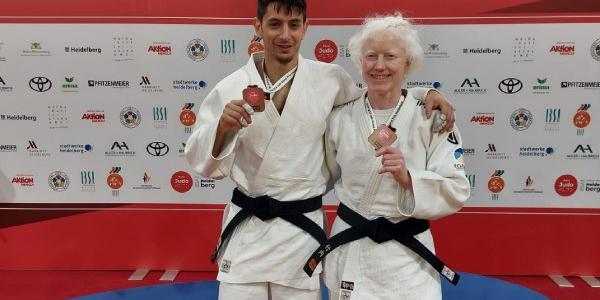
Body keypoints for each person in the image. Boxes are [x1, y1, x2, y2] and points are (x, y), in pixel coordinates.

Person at [185, 1, 456, 299]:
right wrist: (222, 129)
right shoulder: (230, 87)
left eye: (294, 24)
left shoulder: (330, 79)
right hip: (247, 232)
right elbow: (204, 165)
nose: (285, 34)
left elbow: (378, 99)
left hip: (299, 235)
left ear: (306, 28)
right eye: (275, 24)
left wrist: (424, 93)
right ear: (257, 26)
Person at [305, 14, 470, 300]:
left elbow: (456, 187)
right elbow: (319, 175)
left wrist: (410, 179)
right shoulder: (340, 117)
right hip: (354, 251)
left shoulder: (433, 118)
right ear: (359, 62)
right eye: (371, 56)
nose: (379, 66)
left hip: (408, 258)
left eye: (390, 56)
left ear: (408, 63)